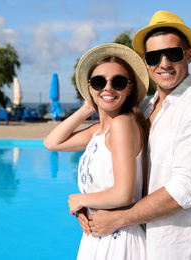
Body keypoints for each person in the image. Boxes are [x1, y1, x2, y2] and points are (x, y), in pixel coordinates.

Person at [78, 10, 191, 259]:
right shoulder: (145, 107)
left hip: (184, 247)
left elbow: (185, 188)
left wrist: (118, 219)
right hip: (144, 243)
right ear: (145, 61)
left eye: (173, 54)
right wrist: (93, 209)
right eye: (154, 56)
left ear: (188, 55)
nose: (164, 63)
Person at [43, 43, 150, 259]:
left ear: (129, 88)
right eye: (99, 82)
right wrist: (86, 108)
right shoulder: (98, 131)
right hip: (99, 235)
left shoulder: (122, 125)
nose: (108, 88)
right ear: (90, 87)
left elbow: (123, 194)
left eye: (118, 82)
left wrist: (79, 199)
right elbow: (52, 143)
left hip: (118, 240)